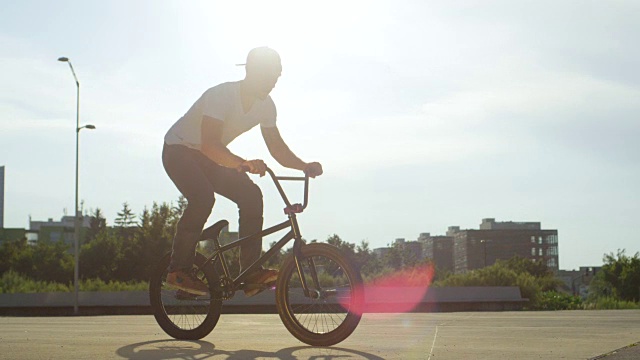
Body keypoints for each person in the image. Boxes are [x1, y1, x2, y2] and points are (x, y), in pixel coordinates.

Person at [162, 47, 322, 297]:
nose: (272, 83)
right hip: (179, 150)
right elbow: (209, 144)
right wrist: (243, 162)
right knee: (203, 197)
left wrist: (304, 166)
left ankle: (249, 272)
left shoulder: (266, 106)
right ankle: (178, 269)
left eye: (276, 78)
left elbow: (277, 148)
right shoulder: (222, 95)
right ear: (250, 71)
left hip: (209, 156)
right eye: (268, 76)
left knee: (251, 195)